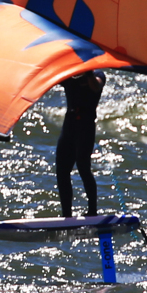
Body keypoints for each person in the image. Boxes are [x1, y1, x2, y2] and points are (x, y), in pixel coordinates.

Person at [56, 70, 106, 218]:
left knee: (83, 166)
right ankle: (67, 214)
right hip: (69, 122)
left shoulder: (97, 75)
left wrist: (88, 73)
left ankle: (92, 211)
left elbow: (96, 86)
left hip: (86, 124)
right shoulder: (71, 75)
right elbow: (56, 78)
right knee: (62, 170)